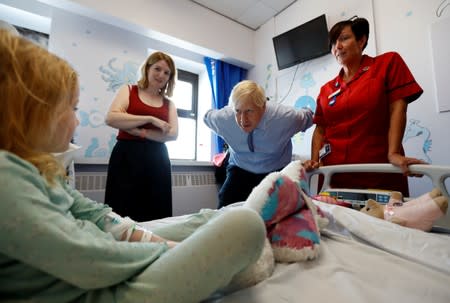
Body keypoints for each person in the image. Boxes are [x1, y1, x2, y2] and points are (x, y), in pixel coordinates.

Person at [0, 29, 267, 303]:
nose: (77, 122)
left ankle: (259, 216)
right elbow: (90, 258)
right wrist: (169, 250)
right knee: (245, 226)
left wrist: (144, 237)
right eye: (74, 109)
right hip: (101, 283)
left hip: (144, 181)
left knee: (210, 217)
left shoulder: (42, 173)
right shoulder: (7, 179)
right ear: (36, 113)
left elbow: (93, 214)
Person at [303, 17, 426, 196]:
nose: (337, 46)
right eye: (333, 43)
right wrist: (314, 161)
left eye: (344, 38)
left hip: (379, 174)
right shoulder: (326, 90)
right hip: (333, 178)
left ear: (361, 41)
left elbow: (398, 109)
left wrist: (393, 153)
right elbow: (320, 129)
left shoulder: (387, 64)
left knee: (384, 221)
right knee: (334, 223)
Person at [204, 80, 314, 208]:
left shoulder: (284, 118)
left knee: (280, 212)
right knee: (225, 207)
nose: (243, 119)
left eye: (249, 111)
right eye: (238, 111)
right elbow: (206, 117)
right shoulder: (224, 118)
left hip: (275, 170)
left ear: (263, 107)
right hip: (240, 168)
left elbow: (309, 116)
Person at [105, 51, 178, 221]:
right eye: (157, 69)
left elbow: (173, 134)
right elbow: (111, 118)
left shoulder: (169, 104)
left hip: (157, 159)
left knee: (156, 208)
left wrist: (141, 132)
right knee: (122, 207)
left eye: (167, 73)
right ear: (147, 69)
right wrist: (150, 119)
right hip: (126, 156)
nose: (161, 75)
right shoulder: (129, 90)